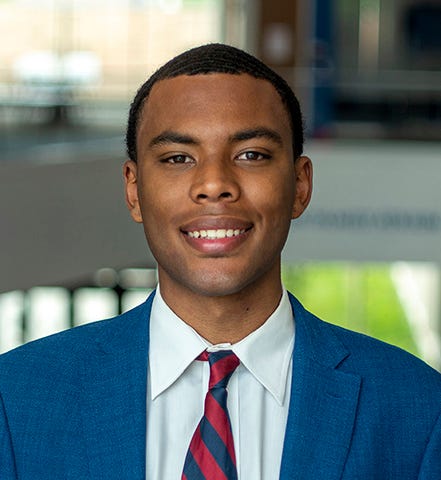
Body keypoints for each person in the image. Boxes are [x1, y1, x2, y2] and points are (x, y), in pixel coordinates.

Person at [0, 43, 440, 480]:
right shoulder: (17, 399)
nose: (214, 184)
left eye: (251, 155)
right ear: (134, 190)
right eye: (178, 158)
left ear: (300, 185)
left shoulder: (418, 409)